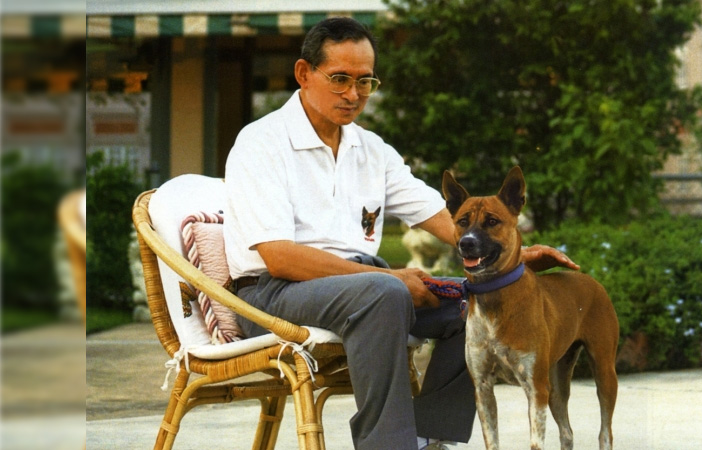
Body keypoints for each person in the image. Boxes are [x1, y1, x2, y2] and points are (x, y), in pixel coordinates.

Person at [223, 17, 578, 450]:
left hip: (361, 286)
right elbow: (279, 257)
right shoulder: (261, 143)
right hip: (271, 295)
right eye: (340, 79)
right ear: (304, 73)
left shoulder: (371, 150)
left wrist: (509, 255)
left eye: (365, 81)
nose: (353, 94)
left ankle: (429, 439)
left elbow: (443, 217)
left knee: (472, 300)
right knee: (385, 293)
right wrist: (389, 278)